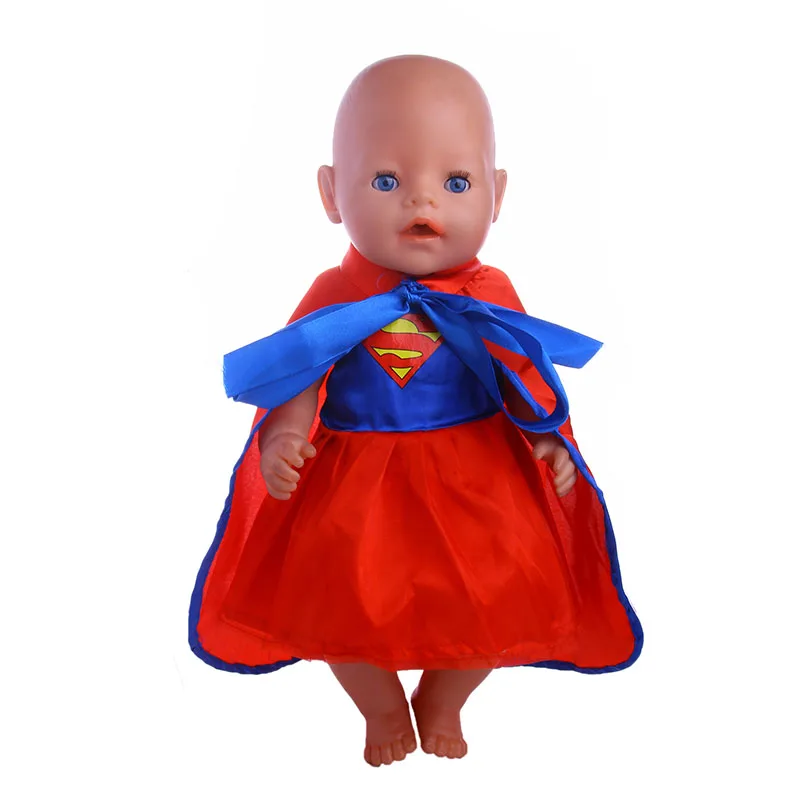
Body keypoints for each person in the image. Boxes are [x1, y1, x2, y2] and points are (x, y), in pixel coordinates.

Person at [189, 55, 642, 768]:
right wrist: (284, 434)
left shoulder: (488, 292)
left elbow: (525, 375)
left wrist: (549, 438)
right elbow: (300, 368)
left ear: (496, 195)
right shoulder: (336, 294)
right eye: (386, 181)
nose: (421, 200)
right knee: (337, 597)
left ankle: (444, 697)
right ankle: (379, 705)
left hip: (476, 474)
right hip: (355, 472)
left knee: (499, 591)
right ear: (331, 193)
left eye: (456, 183)